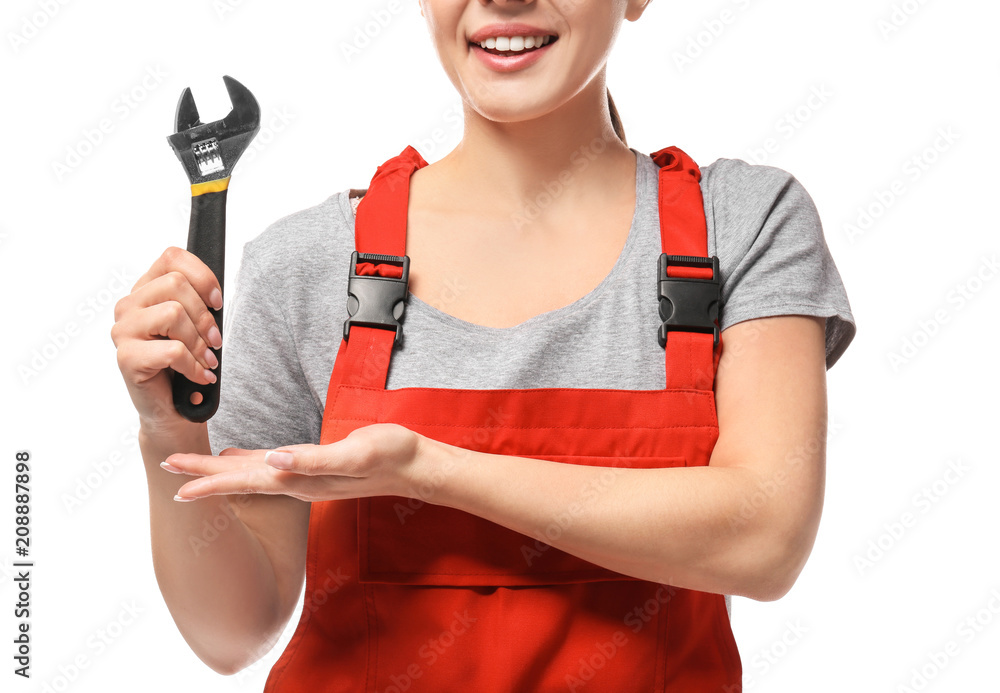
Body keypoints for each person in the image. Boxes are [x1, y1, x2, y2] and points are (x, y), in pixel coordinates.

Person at [111, 0, 856, 690]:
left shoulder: (744, 224)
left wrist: (426, 470)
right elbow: (234, 632)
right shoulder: (306, 263)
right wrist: (167, 432)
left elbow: (765, 537)